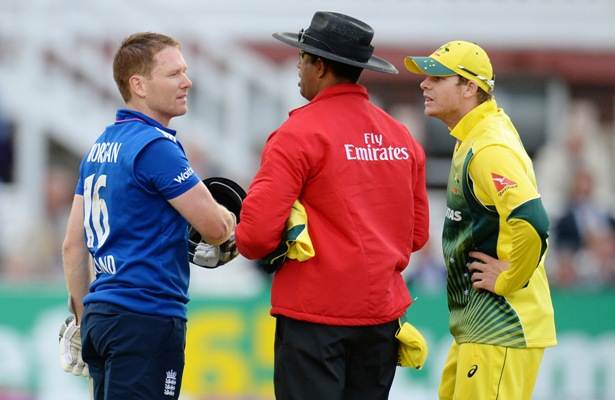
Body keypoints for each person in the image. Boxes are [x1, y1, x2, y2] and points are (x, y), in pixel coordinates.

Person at [235, 11, 430, 400]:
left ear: (320, 66)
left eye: (303, 57)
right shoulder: (401, 136)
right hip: (381, 318)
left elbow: (254, 238)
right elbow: (417, 236)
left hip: (314, 319)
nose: (298, 65)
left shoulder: (298, 133)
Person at [61, 32, 236, 399]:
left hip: (100, 317)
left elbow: (72, 248)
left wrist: (81, 323)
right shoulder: (155, 145)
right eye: (173, 74)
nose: (187, 82)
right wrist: (230, 218)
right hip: (146, 318)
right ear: (138, 85)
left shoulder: (99, 146)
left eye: (184, 72)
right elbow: (216, 228)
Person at [404, 41, 557, 399]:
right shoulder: (475, 135)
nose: (425, 84)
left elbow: (534, 221)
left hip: (501, 324)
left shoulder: (488, 147)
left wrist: (508, 278)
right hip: (480, 327)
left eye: (438, 77)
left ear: (470, 87)